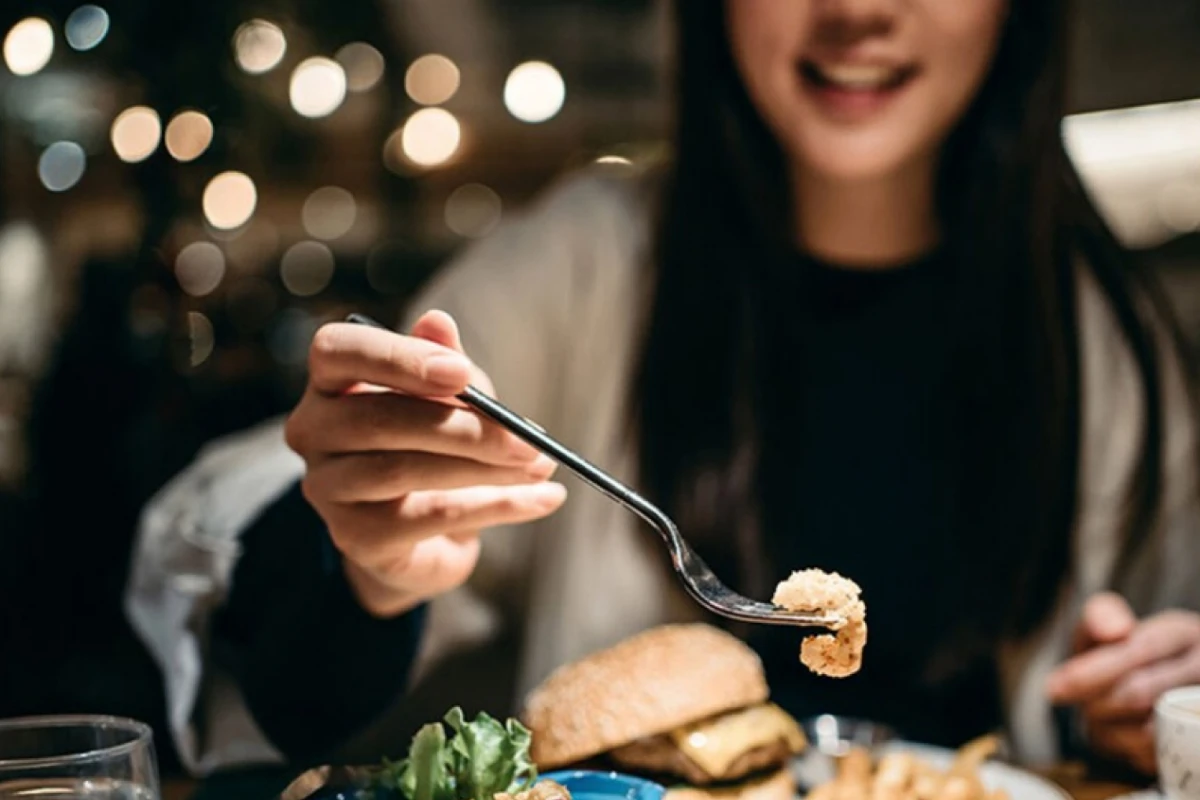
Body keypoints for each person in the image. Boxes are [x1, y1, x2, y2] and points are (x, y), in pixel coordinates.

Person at [126, 0, 1200, 780]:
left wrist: (1155, 702)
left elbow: (1154, 671)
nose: (859, 12)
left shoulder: (1107, 337)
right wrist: (365, 567)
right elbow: (279, 660)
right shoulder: (586, 265)